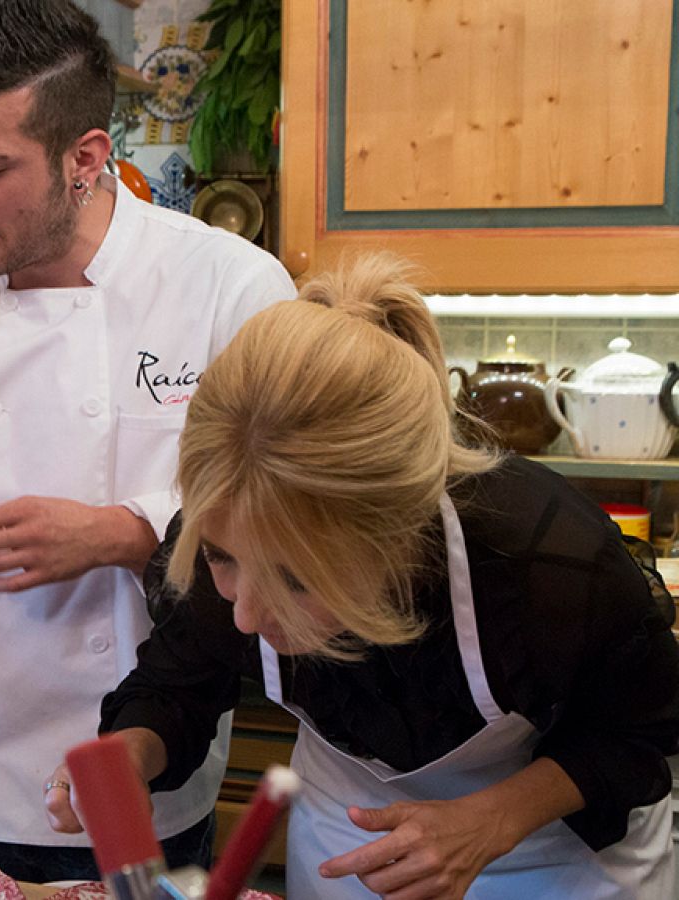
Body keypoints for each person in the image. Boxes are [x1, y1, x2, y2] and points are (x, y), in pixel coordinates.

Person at [0, 0, 294, 882]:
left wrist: (125, 531)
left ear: (86, 158)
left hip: (143, 767)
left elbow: (284, 522)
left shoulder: (231, 287)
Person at [48, 256, 679, 897]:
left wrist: (492, 820)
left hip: (555, 860)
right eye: (221, 558)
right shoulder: (229, 527)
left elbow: (640, 729)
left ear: (400, 536)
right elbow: (177, 686)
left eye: (297, 580)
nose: (245, 614)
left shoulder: (548, 565)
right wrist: (132, 755)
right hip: (346, 847)